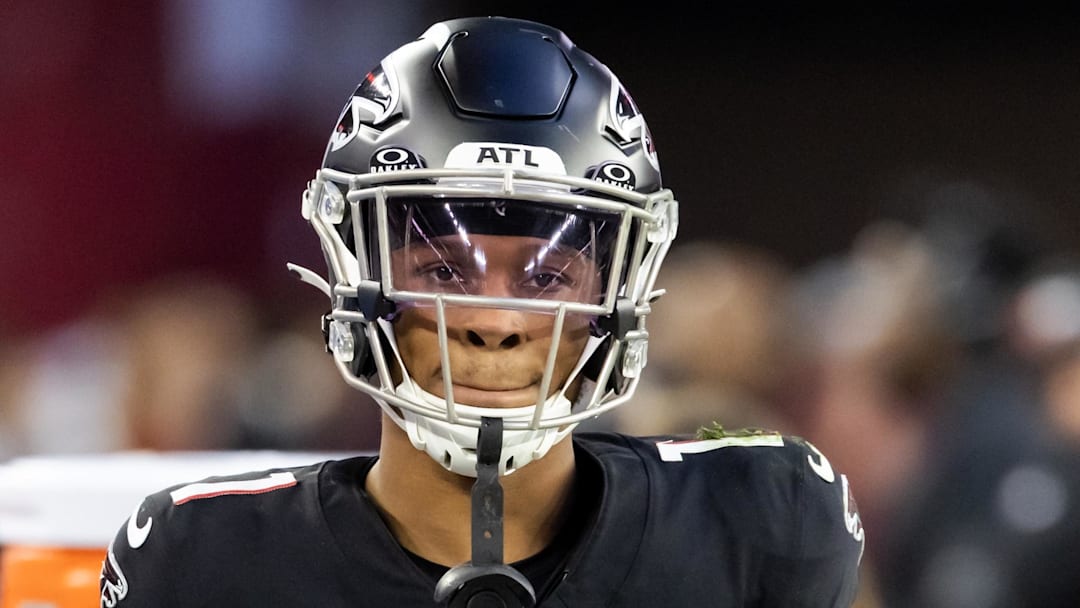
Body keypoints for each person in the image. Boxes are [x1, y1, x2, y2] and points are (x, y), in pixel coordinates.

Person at [100, 16, 864, 607]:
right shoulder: (201, 561)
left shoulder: (765, 523)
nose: (493, 320)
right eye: (442, 267)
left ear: (619, 292)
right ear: (355, 271)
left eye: (546, 275)